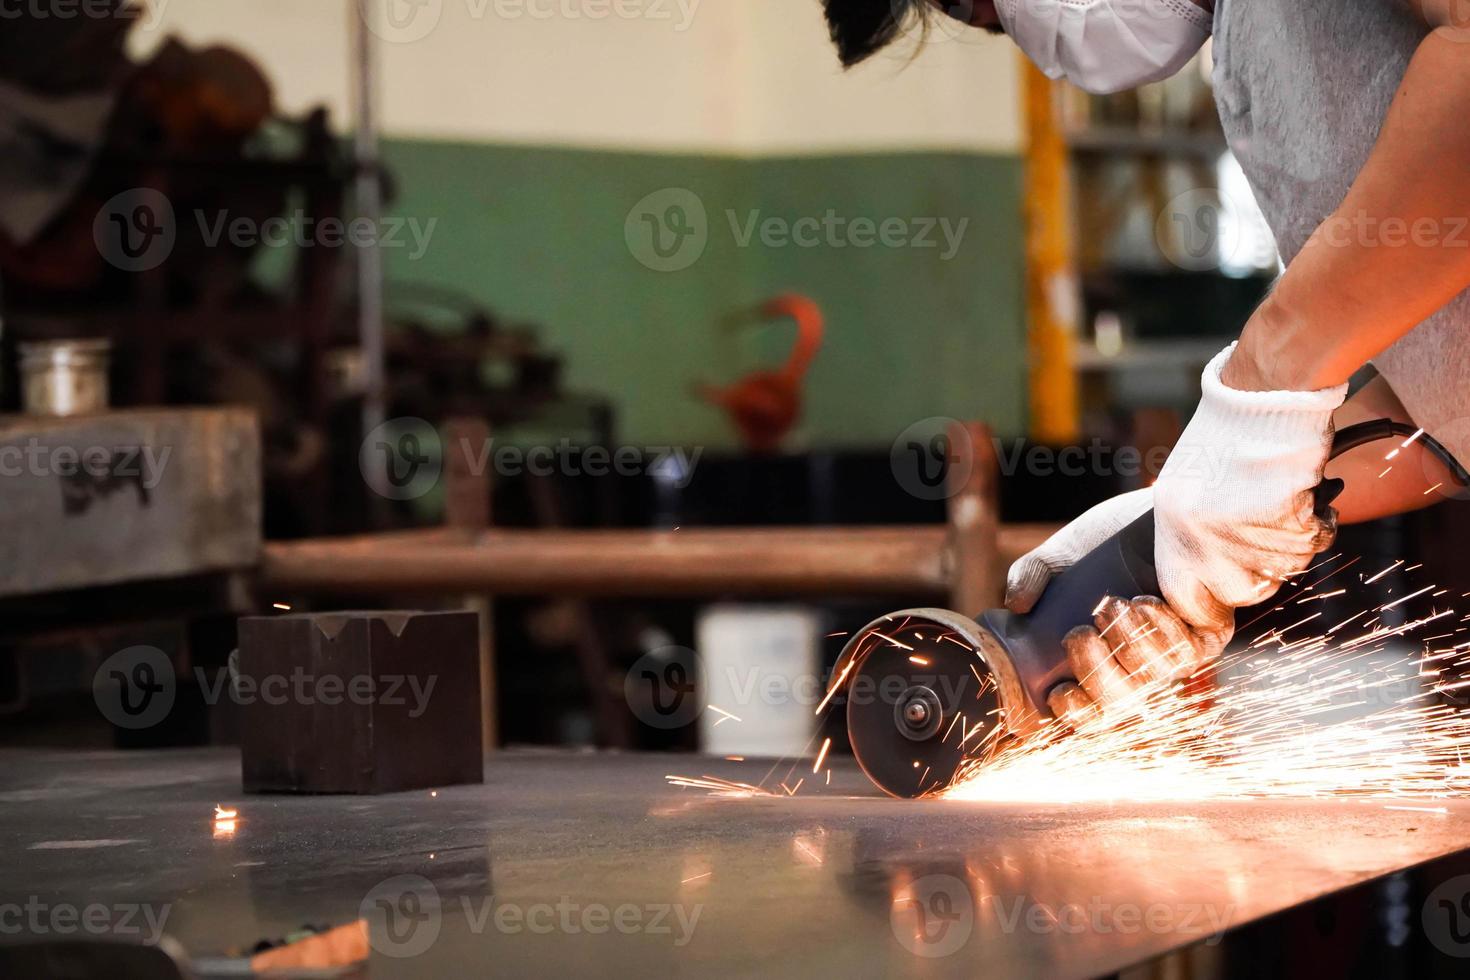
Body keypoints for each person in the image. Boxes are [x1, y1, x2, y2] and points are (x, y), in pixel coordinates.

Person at [822, 0, 1470, 719]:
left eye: (986, 7)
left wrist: (1268, 373)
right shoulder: (1263, 39)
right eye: (993, 25)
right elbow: (1449, 404)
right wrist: (1182, 531)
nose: (1037, 41)